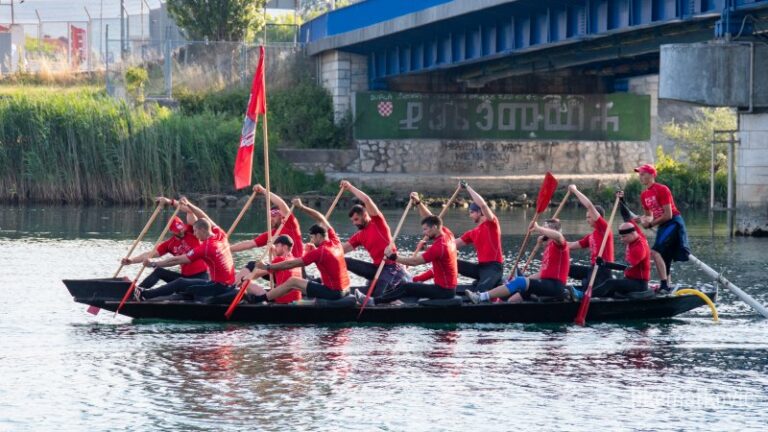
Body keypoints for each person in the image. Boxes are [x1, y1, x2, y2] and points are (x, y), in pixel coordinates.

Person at [354, 192, 458, 305]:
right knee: (413, 287)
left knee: (406, 287)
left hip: (443, 291)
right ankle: (394, 300)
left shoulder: (440, 246)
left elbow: (414, 262)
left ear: (435, 227)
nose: (424, 233)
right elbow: (429, 218)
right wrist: (418, 202)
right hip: (448, 287)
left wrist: (394, 257)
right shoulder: (447, 233)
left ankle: (373, 301)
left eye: (426, 230)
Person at [137, 196, 236, 302]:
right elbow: (203, 215)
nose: (195, 234)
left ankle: (144, 295)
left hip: (219, 287)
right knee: (182, 284)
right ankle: (143, 293)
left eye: (196, 231)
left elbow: (177, 260)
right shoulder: (221, 234)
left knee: (184, 287)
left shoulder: (206, 248)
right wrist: (188, 204)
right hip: (227, 283)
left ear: (202, 230)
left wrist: (153, 264)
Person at [250, 198, 350, 301]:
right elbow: (321, 219)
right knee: (298, 283)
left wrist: (267, 267)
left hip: (334, 293)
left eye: (312, 237)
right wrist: (302, 207)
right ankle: (275, 297)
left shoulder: (320, 252)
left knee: (293, 282)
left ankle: (260, 299)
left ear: (319, 236)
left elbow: (290, 264)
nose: (311, 240)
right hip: (346, 289)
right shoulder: (336, 241)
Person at [466, 219, 569, 303]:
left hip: (556, 286)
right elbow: (543, 273)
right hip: (546, 283)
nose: (542, 232)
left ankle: (480, 297)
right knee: (512, 298)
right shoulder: (548, 248)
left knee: (520, 281)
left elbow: (559, 236)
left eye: (545, 229)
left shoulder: (560, 245)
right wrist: (524, 280)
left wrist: (537, 228)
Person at [339, 180, 409, 296]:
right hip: (377, 269)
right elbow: (340, 250)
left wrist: (350, 187)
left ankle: (378, 294)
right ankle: (336, 287)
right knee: (342, 260)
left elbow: (367, 200)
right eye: (352, 221)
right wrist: (318, 252)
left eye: (356, 219)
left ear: (365, 215)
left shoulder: (378, 223)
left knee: (378, 295)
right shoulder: (359, 236)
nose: (354, 223)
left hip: (391, 267)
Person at [120, 197, 209, 288]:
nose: (181, 232)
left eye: (181, 228)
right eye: (177, 230)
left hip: (201, 276)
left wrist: (170, 201)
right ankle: (138, 291)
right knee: (158, 271)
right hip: (185, 277)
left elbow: (190, 210)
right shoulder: (169, 244)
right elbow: (150, 254)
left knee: (181, 282)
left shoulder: (192, 231)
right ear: (172, 231)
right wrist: (131, 260)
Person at [634, 164, 691, 293]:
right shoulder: (644, 195)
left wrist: (650, 224)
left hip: (673, 223)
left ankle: (664, 285)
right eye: (639, 174)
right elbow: (649, 216)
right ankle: (667, 286)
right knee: (664, 257)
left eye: (643, 174)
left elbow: (668, 214)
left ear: (652, 175)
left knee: (654, 252)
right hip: (663, 224)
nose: (640, 177)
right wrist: (642, 219)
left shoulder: (662, 189)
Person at [592, 192, 652, 297]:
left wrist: (605, 263)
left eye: (624, 237)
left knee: (610, 283)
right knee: (609, 287)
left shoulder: (640, 247)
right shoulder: (636, 232)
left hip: (639, 284)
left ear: (632, 234)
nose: (621, 239)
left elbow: (625, 265)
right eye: (620, 236)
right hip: (629, 280)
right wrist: (621, 200)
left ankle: (583, 297)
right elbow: (626, 216)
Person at [453, 181, 504, 292]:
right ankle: (446, 287)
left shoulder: (492, 223)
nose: (470, 215)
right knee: (451, 262)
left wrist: (467, 187)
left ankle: (490, 284)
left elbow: (483, 205)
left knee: (480, 291)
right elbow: (451, 245)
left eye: (471, 212)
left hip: (494, 268)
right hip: (480, 268)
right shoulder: (472, 233)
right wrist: (428, 248)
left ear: (480, 212)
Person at [229, 184, 304, 259]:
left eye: (274, 215)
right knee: (251, 266)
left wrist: (263, 190)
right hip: (282, 267)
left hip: (296, 266)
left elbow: (281, 204)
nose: (271, 219)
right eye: (269, 216)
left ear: (282, 215)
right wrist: (226, 250)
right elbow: (250, 243)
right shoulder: (272, 234)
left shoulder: (290, 224)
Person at [565, 184, 614, 291]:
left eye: (589, 217)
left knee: (587, 286)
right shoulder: (591, 236)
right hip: (593, 269)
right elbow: (572, 245)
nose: (587, 219)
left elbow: (589, 206)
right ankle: (558, 288)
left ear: (597, 217)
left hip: (603, 270)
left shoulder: (604, 229)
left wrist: (575, 191)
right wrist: (553, 241)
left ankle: (581, 290)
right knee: (566, 268)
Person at [235, 235, 303, 304]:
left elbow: (256, 274)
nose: (275, 248)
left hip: (282, 302)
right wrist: (272, 248)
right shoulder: (294, 261)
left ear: (284, 247)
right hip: (296, 301)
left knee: (245, 283)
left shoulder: (280, 260)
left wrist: (242, 279)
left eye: (277, 246)